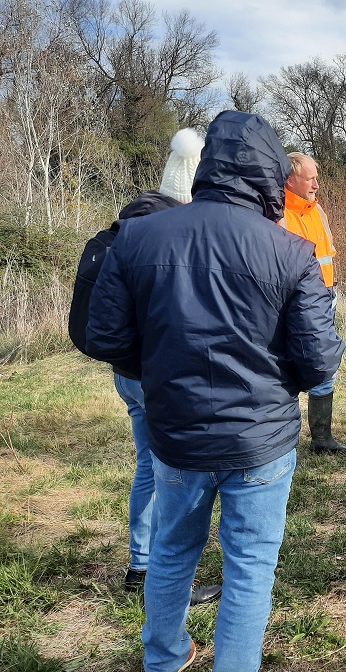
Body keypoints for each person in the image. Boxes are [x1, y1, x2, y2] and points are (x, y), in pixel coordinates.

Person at [87, 111, 343, 672]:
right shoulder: (289, 250)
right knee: (250, 566)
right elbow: (319, 359)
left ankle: (163, 658)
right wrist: (275, 383)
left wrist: (161, 370)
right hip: (259, 440)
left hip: (177, 432)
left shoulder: (139, 235)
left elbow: (105, 336)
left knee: (172, 551)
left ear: (208, 166)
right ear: (270, 173)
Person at [110, 129, 220, 606]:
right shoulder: (176, 234)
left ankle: (140, 564)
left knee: (148, 466)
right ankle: (168, 578)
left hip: (128, 370)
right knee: (174, 474)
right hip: (163, 371)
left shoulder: (129, 225)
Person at [279, 152, 346, 454]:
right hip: (292, 304)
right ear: (290, 179)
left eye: (316, 178)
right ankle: (282, 442)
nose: (316, 185)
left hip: (324, 299)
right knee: (284, 368)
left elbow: (328, 254)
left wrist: (331, 289)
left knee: (323, 364)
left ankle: (322, 439)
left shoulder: (318, 210)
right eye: (310, 179)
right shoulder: (276, 212)